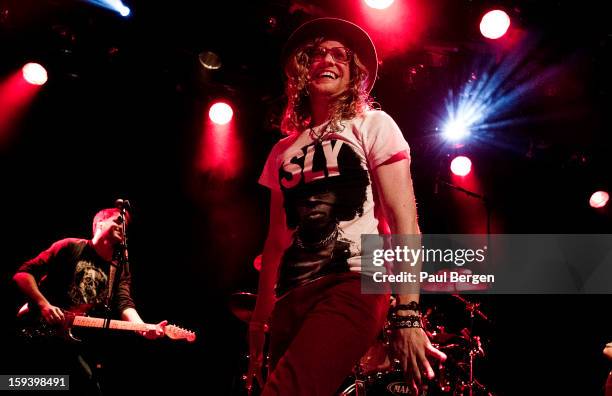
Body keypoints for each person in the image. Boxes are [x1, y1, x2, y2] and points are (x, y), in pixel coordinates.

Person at [247, 17, 446, 395]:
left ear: (354, 73)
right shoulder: (281, 151)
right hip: (290, 298)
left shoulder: (372, 125)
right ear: (304, 69)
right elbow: (275, 242)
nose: (327, 60)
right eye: (317, 53)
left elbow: (404, 222)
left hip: (355, 282)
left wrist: (407, 315)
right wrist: (259, 322)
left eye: (340, 55)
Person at [12, 205, 166, 395]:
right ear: (99, 224)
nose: (123, 225)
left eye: (125, 224)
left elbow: (124, 302)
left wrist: (143, 328)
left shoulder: (118, 270)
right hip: (38, 328)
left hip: (72, 340)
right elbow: (23, 274)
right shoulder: (70, 246)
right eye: (118, 220)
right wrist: (44, 305)